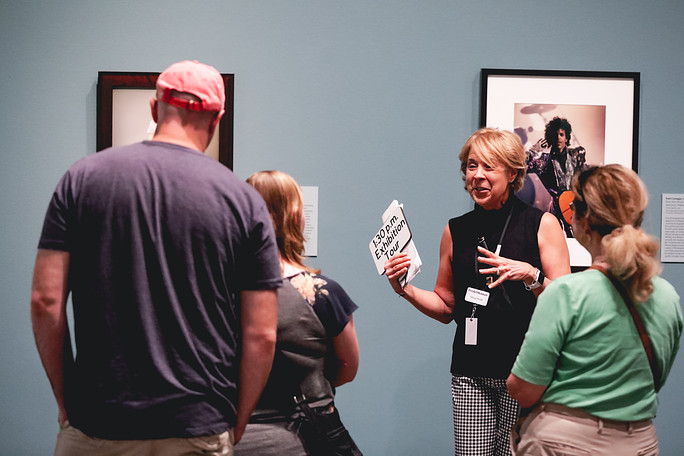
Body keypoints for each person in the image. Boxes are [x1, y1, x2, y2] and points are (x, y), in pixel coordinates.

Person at [30, 60, 283, 456]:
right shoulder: (244, 203)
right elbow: (262, 333)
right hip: (196, 425)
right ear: (217, 118)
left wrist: (66, 400)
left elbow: (45, 301)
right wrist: (237, 422)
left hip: (97, 423)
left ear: (154, 108)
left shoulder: (81, 179)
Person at [384, 128, 571, 455]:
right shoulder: (455, 230)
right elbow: (446, 306)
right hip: (471, 372)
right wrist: (405, 289)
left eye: (489, 166)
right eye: (472, 166)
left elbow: (565, 303)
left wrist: (531, 275)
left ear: (512, 173)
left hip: (526, 371)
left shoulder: (542, 224)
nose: (478, 176)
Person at [507, 164, 683, 455]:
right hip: (640, 443)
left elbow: (524, 391)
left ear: (583, 221)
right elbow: (654, 381)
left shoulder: (565, 293)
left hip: (564, 443)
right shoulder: (668, 297)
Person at [235, 170, 361, 456]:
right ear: (296, 219)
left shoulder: (217, 292)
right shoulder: (323, 293)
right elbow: (347, 368)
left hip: (232, 438)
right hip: (302, 439)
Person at [526, 116, 588, 236]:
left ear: (567, 137)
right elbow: (517, 166)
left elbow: (587, 178)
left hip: (577, 206)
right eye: (555, 135)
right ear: (549, 138)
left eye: (561, 134)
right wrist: (534, 150)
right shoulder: (542, 162)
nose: (558, 138)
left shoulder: (577, 154)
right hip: (557, 210)